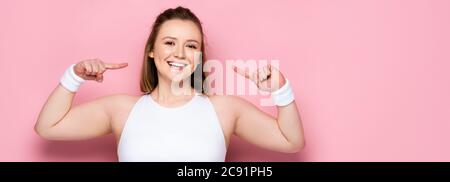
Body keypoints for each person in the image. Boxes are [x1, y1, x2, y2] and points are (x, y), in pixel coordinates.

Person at [34, 6, 305, 162]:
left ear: (199, 57)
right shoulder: (121, 110)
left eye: (191, 45)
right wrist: (74, 76)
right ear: (151, 50)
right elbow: (48, 126)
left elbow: (291, 141)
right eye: (169, 43)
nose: (179, 53)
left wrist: (280, 91)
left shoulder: (224, 109)